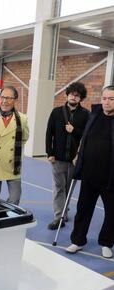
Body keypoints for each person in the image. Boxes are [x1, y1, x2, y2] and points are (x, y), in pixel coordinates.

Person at [66, 85, 114, 259]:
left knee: (111, 213)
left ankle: (106, 243)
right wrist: (79, 154)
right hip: (89, 174)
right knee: (83, 209)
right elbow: (85, 139)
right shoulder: (94, 115)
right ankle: (78, 240)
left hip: (110, 177)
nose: (107, 102)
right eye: (104, 98)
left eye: (111, 99)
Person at [45, 82, 89, 230]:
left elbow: (87, 136)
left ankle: (64, 211)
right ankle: (59, 217)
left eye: (77, 95)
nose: (73, 97)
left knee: (68, 188)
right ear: (67, 94)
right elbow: (49, 133)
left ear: (81, 98)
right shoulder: (56, 112)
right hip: (57, 158)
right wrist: (49, 153)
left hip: (75, 160)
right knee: (59, 187)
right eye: (71, 94)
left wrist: (74, 130)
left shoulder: (86, 115)